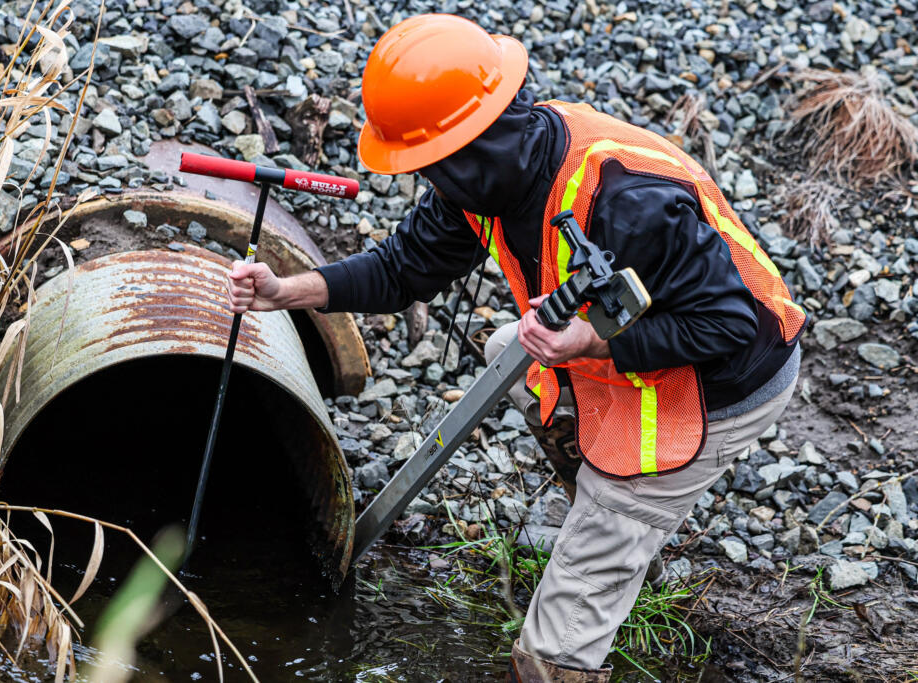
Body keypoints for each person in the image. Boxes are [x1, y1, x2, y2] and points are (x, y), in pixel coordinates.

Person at [226, 14, 803, 682]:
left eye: (429, 167)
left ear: (470, 145)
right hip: (634, 348)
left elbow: (728, 324)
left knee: (549, 657)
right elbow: (404, 268)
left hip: (717, 383)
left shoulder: (625, 198)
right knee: (511, 345)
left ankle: (615, 532)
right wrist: (285, 289)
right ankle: (612, 530)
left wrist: (589, 338)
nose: (428, 184)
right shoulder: (486, 171)